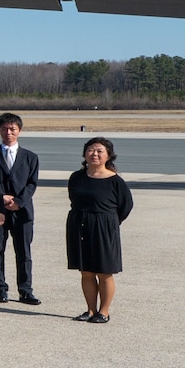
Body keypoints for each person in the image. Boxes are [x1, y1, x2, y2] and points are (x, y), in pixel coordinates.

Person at [66, 138, 131, 324]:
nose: (94, 154)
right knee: (86, 271)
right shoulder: (76, 177)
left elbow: (126, 206)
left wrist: (109, 222)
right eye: (90, 150)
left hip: (104, 227)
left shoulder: (115, 181)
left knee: (104, 271)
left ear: (108, 155)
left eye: (99, 151)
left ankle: (104, 311)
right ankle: (90, 310)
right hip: (79, 225)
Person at [0, 112, 41, 305]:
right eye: (4, 129)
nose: (8, 132)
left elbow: (32, 183)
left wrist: (19, 201)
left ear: (19, 130)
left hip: (22, 212)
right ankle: (0, 288)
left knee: (24, 251)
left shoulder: (31, 157)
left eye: (12, 129)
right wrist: (1, 198)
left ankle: (25, 290)